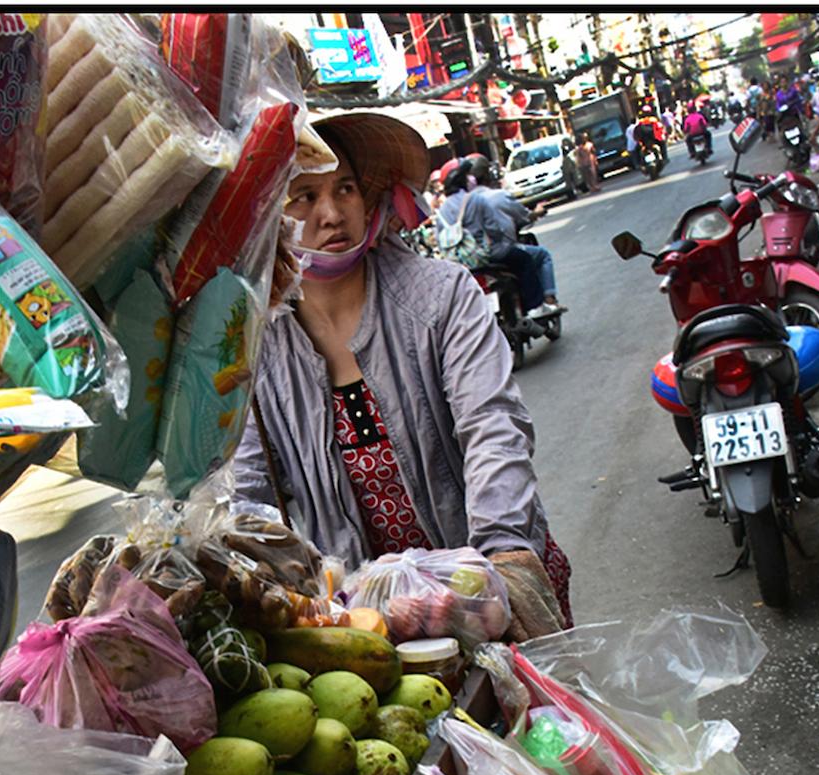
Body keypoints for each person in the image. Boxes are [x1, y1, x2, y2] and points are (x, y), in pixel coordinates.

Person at [238, 112, 572, 641]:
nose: (331, 213)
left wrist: (494, 563)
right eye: (303, 196)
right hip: (368, 619)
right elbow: (248, 490)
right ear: (266, 220)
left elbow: (493, 426)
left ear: (367, 199)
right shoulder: (258, 347)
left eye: (344, 188)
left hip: (485, 586)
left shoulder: (442, 295)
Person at [438, 161, 564, 316]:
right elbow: (495, 230)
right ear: (462, 179)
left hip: (460, 263)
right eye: (467, 175)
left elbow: (440, 240)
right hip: (491, 253)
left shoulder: (440, 213)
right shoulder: (475, 200)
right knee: (525, 260)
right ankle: (535, 307)